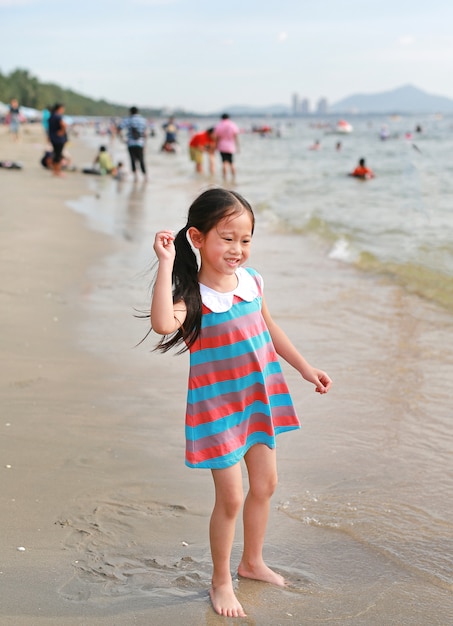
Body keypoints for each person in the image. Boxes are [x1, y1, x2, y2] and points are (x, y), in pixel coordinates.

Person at [149, 188, 332, 618]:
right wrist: (165, 264)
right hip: (218, 412)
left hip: (258, 399)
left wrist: (305, 368)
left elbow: (269, 328)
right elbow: (161, 324)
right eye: (227, 238)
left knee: (265, 485)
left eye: (245, 240)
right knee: (230, 498)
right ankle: (220, 580)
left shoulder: (252, 281)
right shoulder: (192, 297)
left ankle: (252, 562)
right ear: (197, 237)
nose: (237, 249)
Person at [118, 106, 148, 182]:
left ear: (130, 112)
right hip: (140, 143)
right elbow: (145, 133)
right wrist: (145, 144)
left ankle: (136, 177)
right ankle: (145, 177)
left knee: (132, 160)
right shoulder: (143, 120)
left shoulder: (128, 120)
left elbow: (119, 128)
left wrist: (122, 139)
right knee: (141, 160)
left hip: (130, 143)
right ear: (138, 112)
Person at [214, 113, 240, 182]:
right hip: (231, 147)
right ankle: (234, 178)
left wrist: (215, 146)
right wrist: (238, 147)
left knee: (224, 162)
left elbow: (216, 137)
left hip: (222, 146)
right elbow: (236, 136)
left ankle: (224, 179)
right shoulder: (232, 125)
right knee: (231, 163)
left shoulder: (219, 125)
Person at [48, 103, 68, 177]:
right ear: (59, 109)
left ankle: (55, 171)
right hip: (59, 139)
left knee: (56, 154)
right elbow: (64, 125)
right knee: (58, 155)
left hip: (53, 138)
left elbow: (49, 129)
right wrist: (62, 131)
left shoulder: (51, 116)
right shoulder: (58, 116)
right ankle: (58, 171)